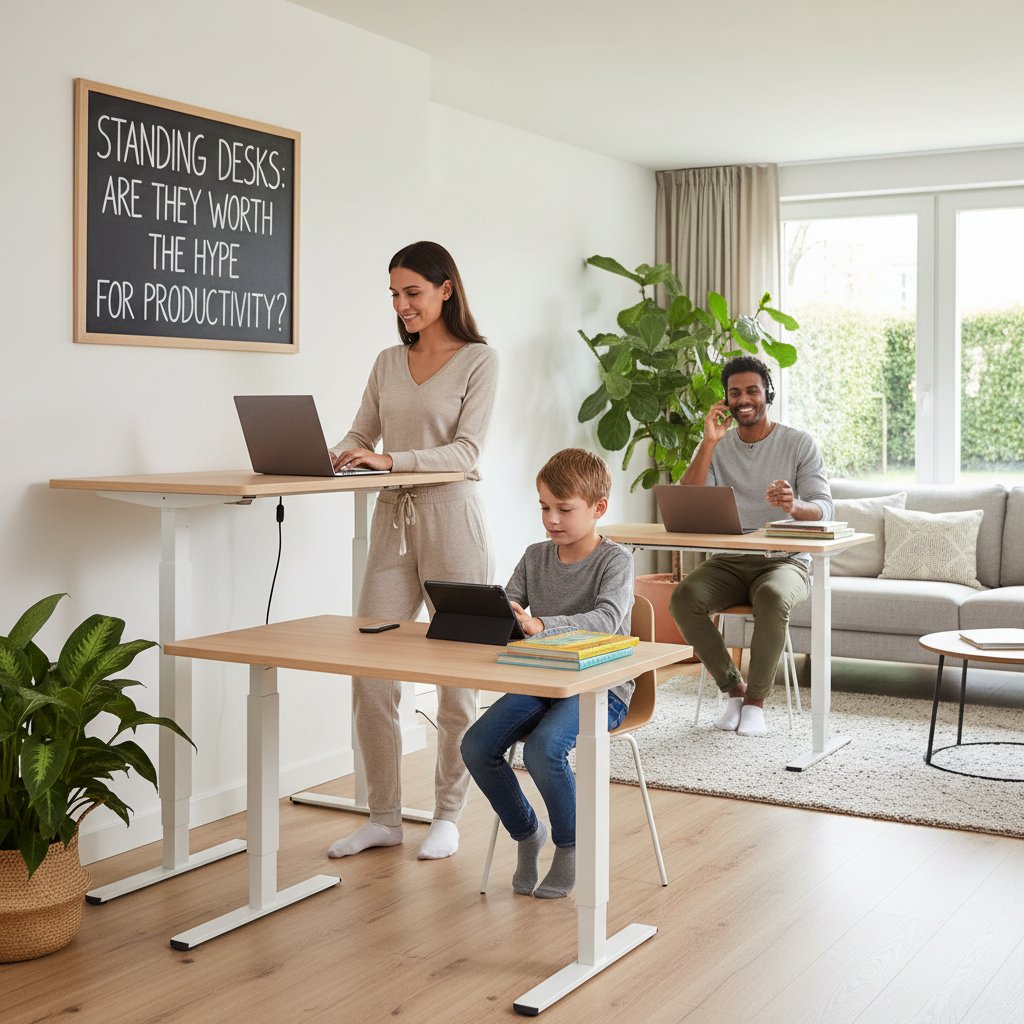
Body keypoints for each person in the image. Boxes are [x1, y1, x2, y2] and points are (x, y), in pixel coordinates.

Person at [327, 240, 498, 861]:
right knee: (370, 668)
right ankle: (383, 816)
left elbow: (467, 454)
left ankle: (448, 814)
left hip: (452, 519)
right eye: (395, 295)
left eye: (412, 293)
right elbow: (360, 431)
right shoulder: (385, 361)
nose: (402, 306)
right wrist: (341, 452)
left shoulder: (479, 360)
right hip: (391, 521)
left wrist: (391, 459)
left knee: (457, 676)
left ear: (445, 289)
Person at [460, 449, 634, 898]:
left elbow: (607, 620)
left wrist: (541, 625)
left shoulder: (615, 561)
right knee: (477, 745)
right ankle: (527, 832)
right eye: (543, 507)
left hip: (602, 687)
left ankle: (571, 846)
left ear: (598, 508)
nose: (551, 519)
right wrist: (493, 615)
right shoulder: (536, 556)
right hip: (544, 680)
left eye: (563, 508)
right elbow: (509, 606)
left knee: (543, 749)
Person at [669, 355, 833, 737]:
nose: (744, 399)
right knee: (683, 598)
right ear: (726, 400)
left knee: (773, 597)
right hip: (730, 560)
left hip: (785, 561)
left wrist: (795, 506)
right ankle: (734, 690)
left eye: (753, 391)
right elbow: (687, 498)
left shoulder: (798, 443)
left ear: (768, 394)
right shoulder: (718, 446)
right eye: (735, 393)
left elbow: (825, 507)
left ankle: (756, 703)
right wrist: (708, 443)